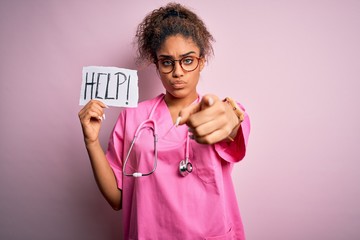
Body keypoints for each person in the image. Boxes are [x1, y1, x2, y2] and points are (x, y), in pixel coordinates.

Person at [78, 2, 250, 239]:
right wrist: (91, 141)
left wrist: (231, 114)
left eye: (187, 61)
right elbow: (118, 199)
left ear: (201, 62)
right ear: (156, 65)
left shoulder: (215, 110)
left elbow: (232, 120)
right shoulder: (133, 117)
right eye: (167, 62)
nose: (177, 72)